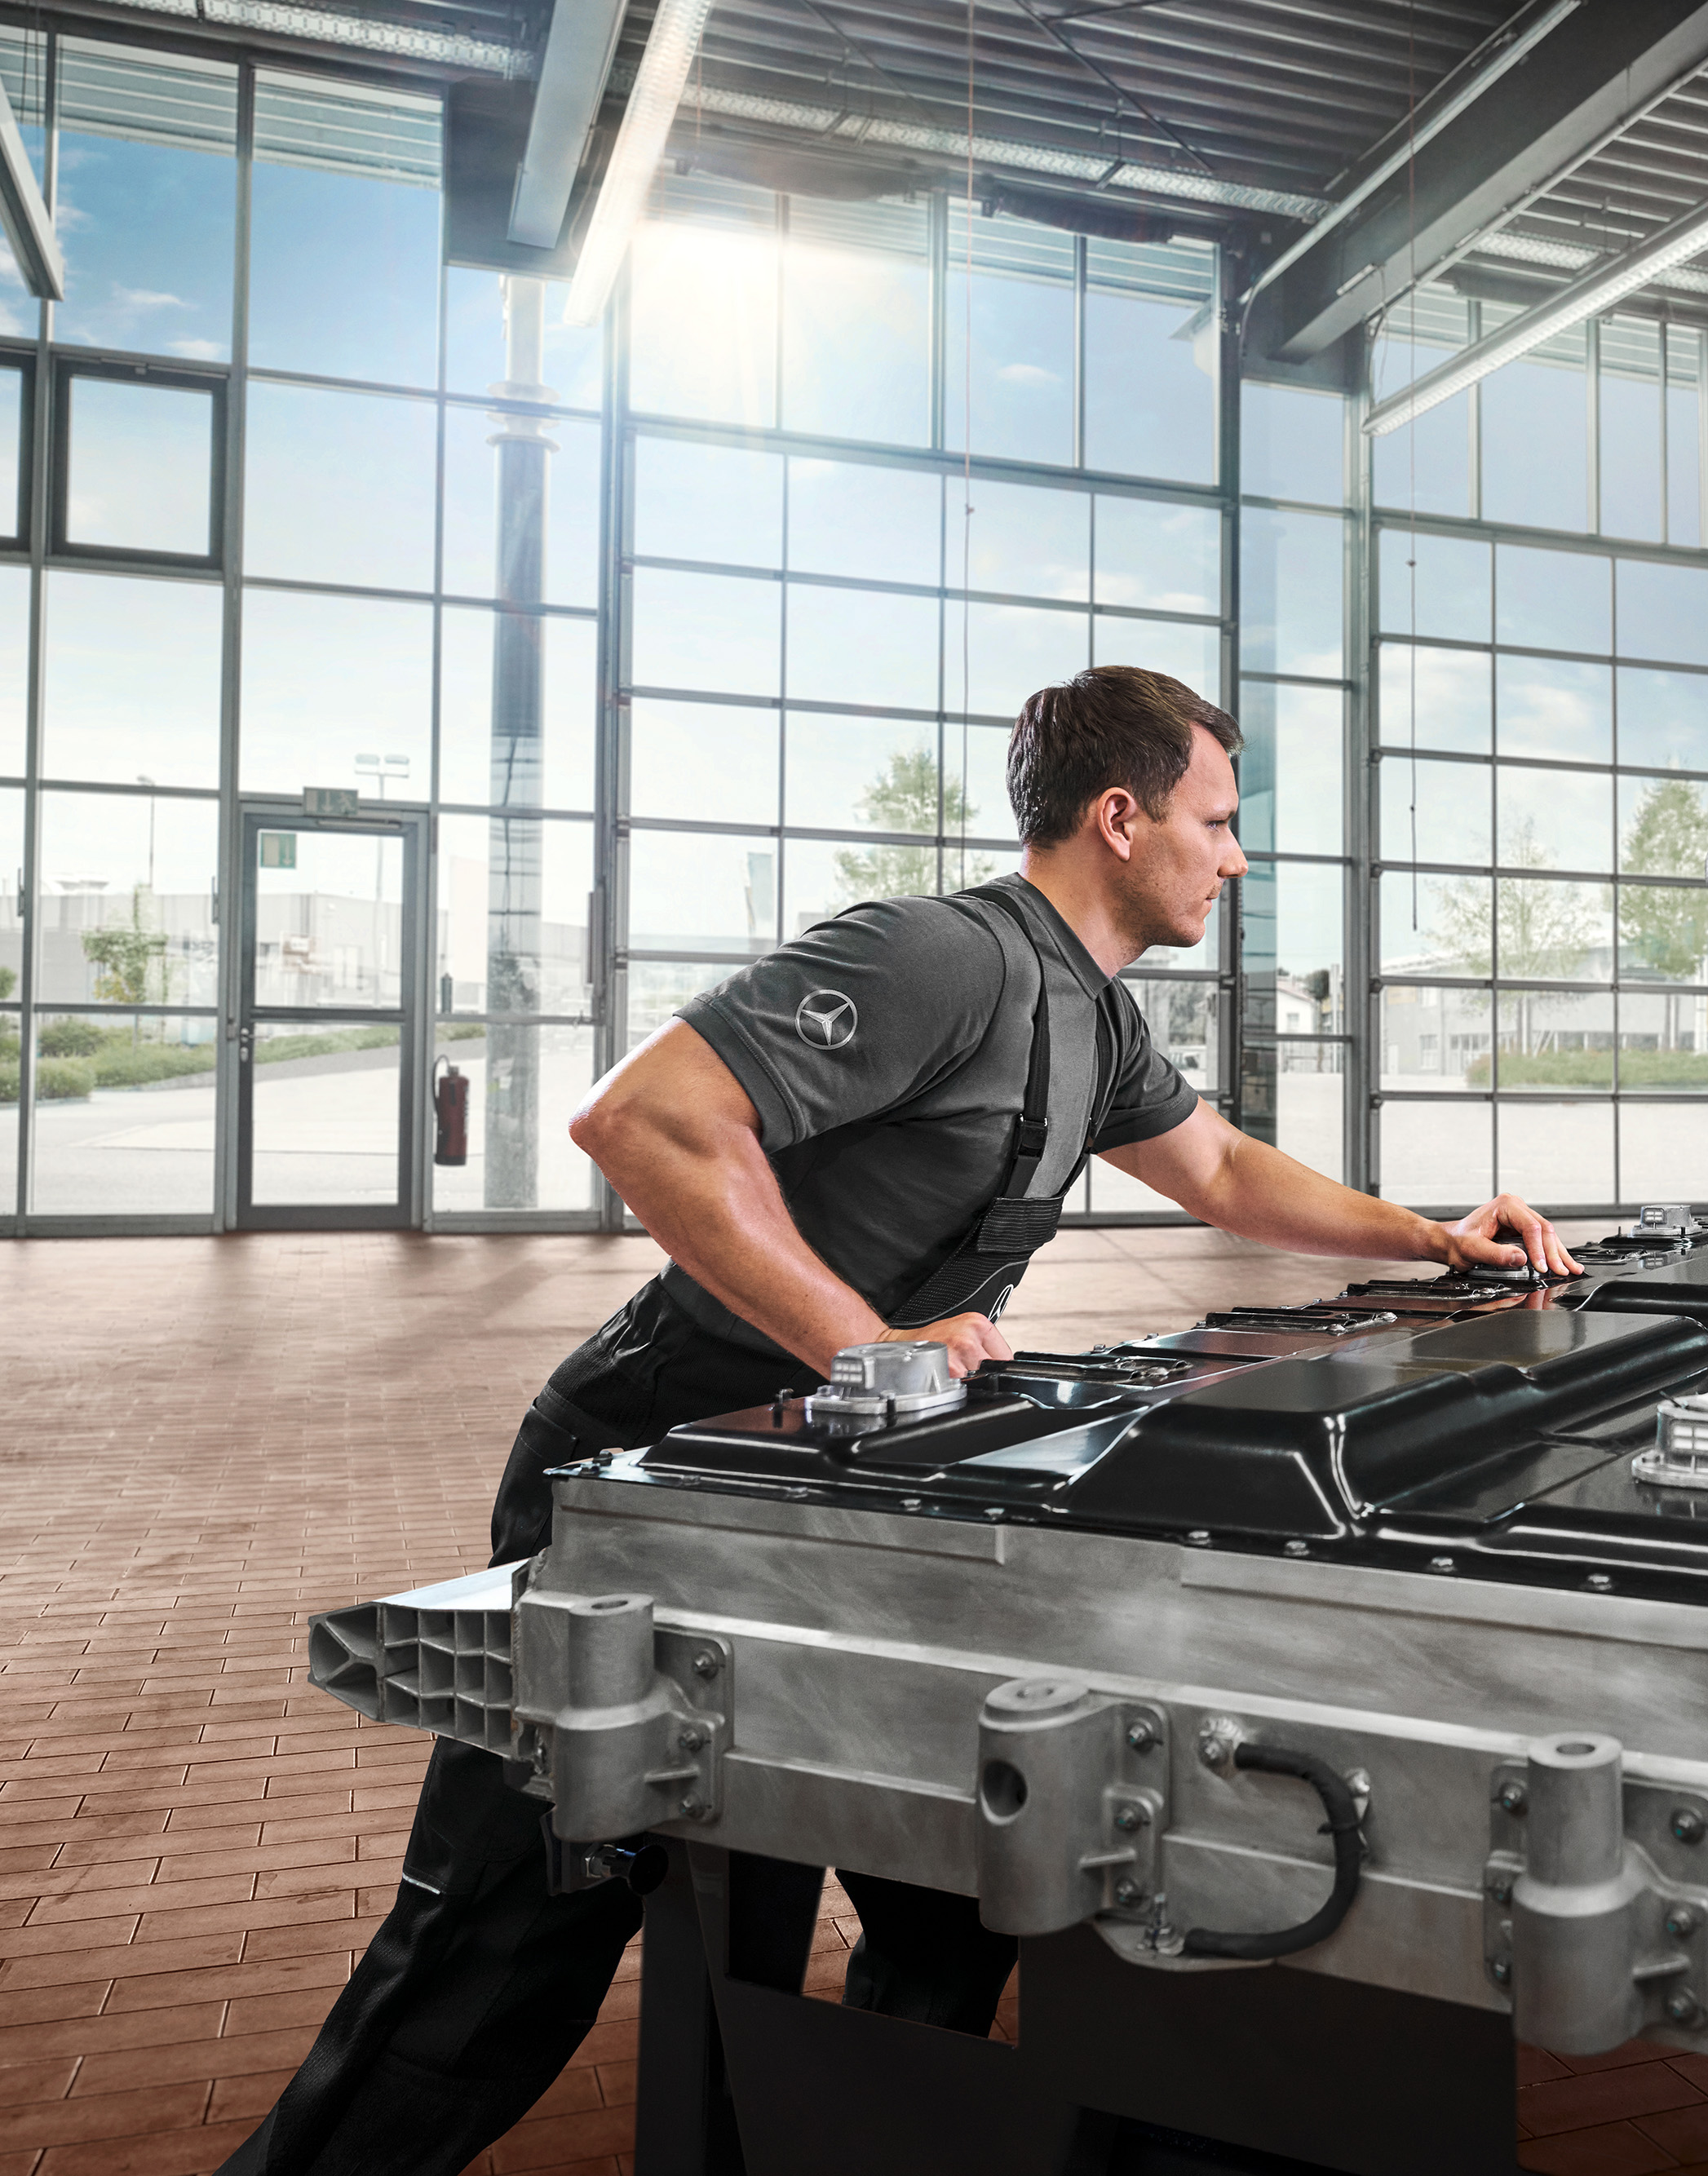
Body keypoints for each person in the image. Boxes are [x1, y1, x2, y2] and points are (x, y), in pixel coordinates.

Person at [224, 666, 1576, 2176]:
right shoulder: (939, 957)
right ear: (1121, 820)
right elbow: (642, 1119)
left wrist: (1432, 1238)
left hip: (822, 1492)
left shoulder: (1096, 1020)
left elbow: (1228, 1175)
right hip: (643, 1474)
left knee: (953, 1890)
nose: (1238, 856)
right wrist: (871, 1351)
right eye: (1220, 820)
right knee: (507, 1949)